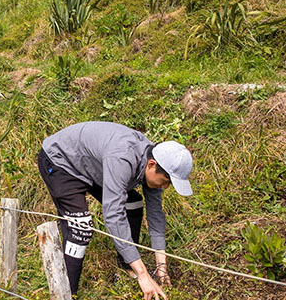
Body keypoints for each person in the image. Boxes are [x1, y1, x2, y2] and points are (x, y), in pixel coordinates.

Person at [38, 121, 194, 299]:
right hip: (60, 161)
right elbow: (113, 215)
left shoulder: (155, 161)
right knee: (80, 228)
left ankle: (127, 267)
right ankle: (66, 293)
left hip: (91, 166)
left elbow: (156, 215)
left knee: (132, 203)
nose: (165, 187)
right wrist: (144, 274)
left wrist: (161, 267)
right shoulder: (123, 158)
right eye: (166, 181)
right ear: (151, 165)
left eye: (170, 184)